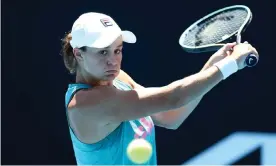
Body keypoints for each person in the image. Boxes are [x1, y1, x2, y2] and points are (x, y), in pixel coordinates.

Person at [61, 12, 259, 165]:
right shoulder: (86, 105)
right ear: (79, 54)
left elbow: (171, 115)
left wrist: (214, 65)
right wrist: (229, 65)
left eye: (118, 50)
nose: (113, 61)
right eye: (103, 52)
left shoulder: (118, 78)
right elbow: (173, 97)